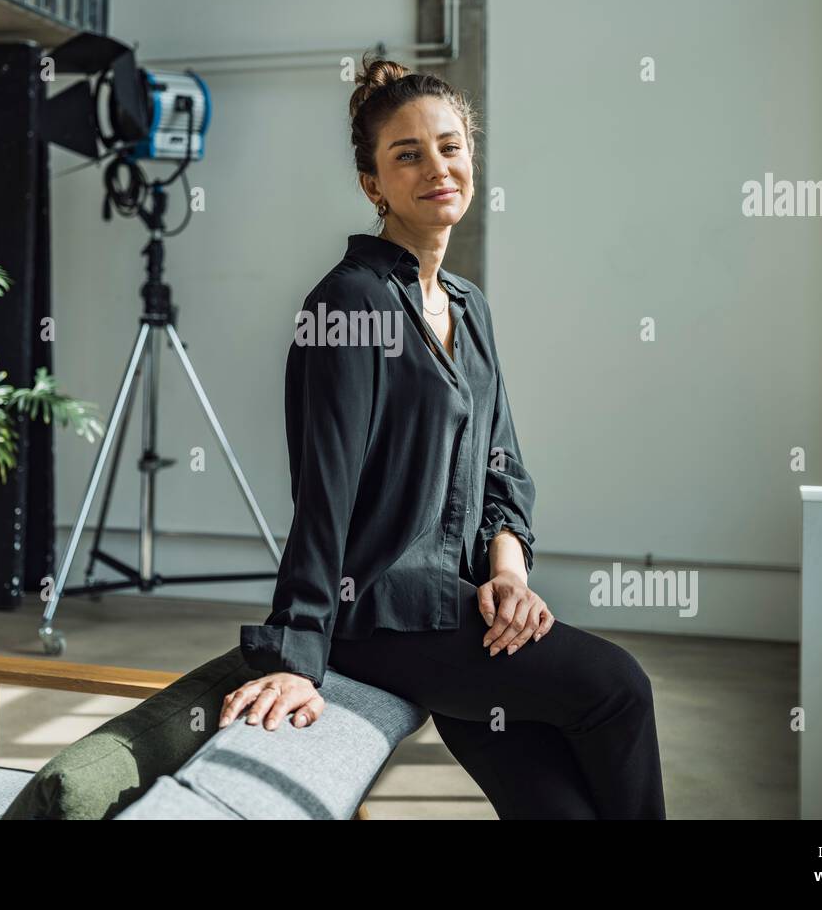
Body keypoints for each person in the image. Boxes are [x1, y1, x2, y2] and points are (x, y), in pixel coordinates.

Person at [220, 53, 666, 820]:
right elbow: (323, 496)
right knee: (618, 687)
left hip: (461, 610)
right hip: (385, 615)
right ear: (373, 185)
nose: (438, 166)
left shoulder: (468, 305)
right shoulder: (350, 303)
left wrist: (509, 575)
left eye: (451, 146)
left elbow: (504, 467)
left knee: (557, 805)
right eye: (408, 154)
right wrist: (296, 655)